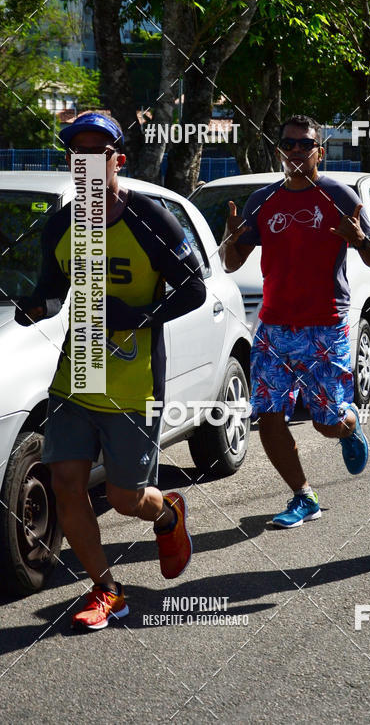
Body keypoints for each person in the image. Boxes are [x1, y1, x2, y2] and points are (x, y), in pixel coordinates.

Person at [14, 112, 206, 628]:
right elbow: (53, 292)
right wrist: (32, 304)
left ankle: (167, 513)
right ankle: (106, 590)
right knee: (67, 482)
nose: (87, 164)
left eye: (98, 153)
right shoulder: (61, 223)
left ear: (117, 159)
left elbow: (194, 289)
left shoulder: (149, 219)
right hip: (80, 372)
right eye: (78, 155)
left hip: (134, 377)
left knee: (124, 499)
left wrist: (134, 316)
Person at [219, 114, 370, 527]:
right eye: (288, 144)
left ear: (319, 151)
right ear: (280, 150)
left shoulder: (340, 197)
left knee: (325, 423)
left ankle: (348, 426)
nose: (295, 152)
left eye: (304, 145)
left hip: (325, 327)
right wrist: (231, 239)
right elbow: (231, 261)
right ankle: (303, 496)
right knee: (269, 416)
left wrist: (360, 239)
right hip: (274, 327)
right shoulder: (262, 200)